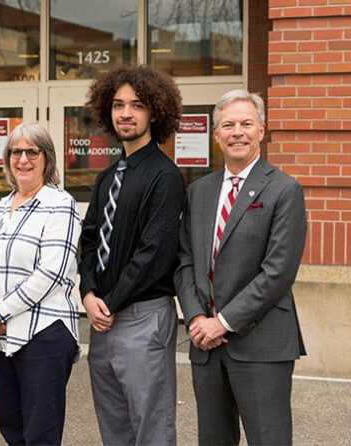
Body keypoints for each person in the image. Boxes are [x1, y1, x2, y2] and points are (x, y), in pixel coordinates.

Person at [175, 89, 307, 445]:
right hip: (206, 345)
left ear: (262, 130)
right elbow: (184, 261)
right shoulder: (199, 192)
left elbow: (277, 272)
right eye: (228, 124)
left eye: (246, 123)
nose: (238, 132)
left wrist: (224, 322)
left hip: (260, 344)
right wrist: (195, 319)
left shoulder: (284, 190)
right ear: (216, 134)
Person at [78, 65, 185, 445]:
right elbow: (89, 239)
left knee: (151, 427)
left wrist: (108, 302)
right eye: (119, 105)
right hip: (103, 319)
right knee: (115, 428)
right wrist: (88, 294)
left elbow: (154, 253)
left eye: (137, 105)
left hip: (143, 318)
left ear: (155, 112)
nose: (126, 113)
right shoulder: (109, 176)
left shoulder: (166, 176)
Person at [0, 121, 81, 446]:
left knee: (40, 435)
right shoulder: (1, 206)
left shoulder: (60, 204)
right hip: (2, 336)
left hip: (44, 335)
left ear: (46, 158)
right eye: (15, 152)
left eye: (31, 152)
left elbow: (51, 273)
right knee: (12, 428)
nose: (23, 159)